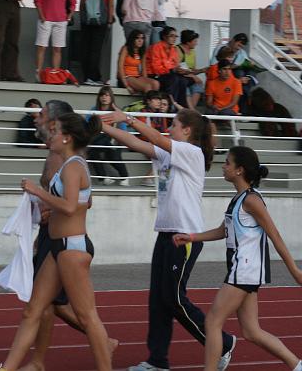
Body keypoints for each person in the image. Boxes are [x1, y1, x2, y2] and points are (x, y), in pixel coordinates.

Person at [98, 108, 237, 371]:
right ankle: (157, 361)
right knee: (158, 300)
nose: (169, 128)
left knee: (173, 297)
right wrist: (103, 127)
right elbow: (137, 143)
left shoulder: (191, 153)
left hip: (185, 236)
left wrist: (127, 118)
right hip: (166, 233)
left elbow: (156, 139)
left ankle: (223, 342)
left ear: (186, 130)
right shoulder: (170, 153)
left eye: (173, 124)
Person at [0, 111, 113, 371]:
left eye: (55, 131)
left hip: (72, 248)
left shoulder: (74, 167)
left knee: (87, 317)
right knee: (33, 310)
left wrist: (38, 192)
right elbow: (84, 202)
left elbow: (70, 207)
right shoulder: (69, 166)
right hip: (58, 248)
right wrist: (46, 207)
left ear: (67, 137)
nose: (51, 135)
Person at [173, 146, 302, 371]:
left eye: (227, 163)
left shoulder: (252, 200)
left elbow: (275, 235)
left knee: (213, 322)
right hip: (243, 269)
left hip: (244, 269)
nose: (223, 166)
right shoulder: (238, 199)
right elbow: (223, 231)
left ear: (240, 170)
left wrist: (295, 271)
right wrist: (192, 237)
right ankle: (297, 364)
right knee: (251, 332)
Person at [33, 0, 75, 82]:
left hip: (61, 20)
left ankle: (55, 74)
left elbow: (73, 2)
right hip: (46, 19)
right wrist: (41, 15)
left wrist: (69, 16)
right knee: (42, 47)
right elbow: (38, 0)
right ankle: (38, 73)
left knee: (57, 48)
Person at [79, 0, 113, 85]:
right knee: (96, 50)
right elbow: (110, 5)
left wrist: (82, 18)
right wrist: (109, 20)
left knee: (86, 49)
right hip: (101, 22)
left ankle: (87, 76)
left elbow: (82, 3)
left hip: (86, 22)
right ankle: (94, 77)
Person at [89, 86, 130, 186]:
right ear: (99, 97)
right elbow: (88, 126)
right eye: (102, 95)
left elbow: (123, 130)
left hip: (114, 139)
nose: (104, 97)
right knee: (92, 152)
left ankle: (124, 177)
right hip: (97, 138)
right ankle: (103, 178)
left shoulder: (116, 111)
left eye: (107, 95)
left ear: (111, 97)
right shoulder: (94, 110)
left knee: (111, 153)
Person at [210, 33, 255, 114]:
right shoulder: (221, 49)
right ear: (233, 40)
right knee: (239, 74)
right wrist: (238, 80)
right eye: (238, 44)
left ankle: (244, 111)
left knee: (247, 78)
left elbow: (246, 63)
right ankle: (243, 110)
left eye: (241, 46)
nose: (239, 48)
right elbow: (215, 67)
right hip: (222, 78)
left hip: (234, 78)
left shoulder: (241, 52)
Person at [147, 25, 190, 108]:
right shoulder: (156, 47)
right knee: (174, 79)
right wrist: (172, 70)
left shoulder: (174, 49)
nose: (174, 38)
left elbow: (175, 65)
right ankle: (171, 105)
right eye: (171, 36)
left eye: (175, 36)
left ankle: (181, 107)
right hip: (155, 75)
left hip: (169, 74)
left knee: (183, 80)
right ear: (164, 37)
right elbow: (156, 68)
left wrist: (181, 70)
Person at [176, 29, 207, 109]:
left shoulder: (193, 52)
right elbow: (179, 69)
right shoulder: (177, 50)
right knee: (186, 88)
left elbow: (192, 70)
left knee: (198, 85)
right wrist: (193, 76)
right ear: (188, 42)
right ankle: (192, 111)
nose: (196, 43)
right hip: (180, 77)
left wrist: (201, 70)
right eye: (195, 41)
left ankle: (190, 110)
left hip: (189, 77)